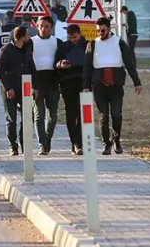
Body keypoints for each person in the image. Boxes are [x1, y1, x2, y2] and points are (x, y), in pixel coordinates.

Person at [83, 17, 142, 156]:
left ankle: (116, 140)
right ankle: (106, 144)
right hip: (99, 86)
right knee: (103, 116)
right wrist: (85, 86)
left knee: (116, 114)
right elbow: (87, 67)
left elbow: (129, 64)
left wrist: (137, 82)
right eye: (97, 31)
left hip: (116, 86)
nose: (100, 33)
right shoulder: (92, 44)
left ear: (109, 29)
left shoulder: (119, 43)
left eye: (102, 30)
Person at [0, 26, 34, 156]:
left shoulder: (28, 48)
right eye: (27, 35)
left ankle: (25, 143)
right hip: (10, 89)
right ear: (22, 37)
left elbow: (31, 67)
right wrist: (8, 88)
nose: (29, 37)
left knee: (28, 117)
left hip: (25, 88)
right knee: (11, 119)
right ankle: (13, 145)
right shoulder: (5, 50)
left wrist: (35, 86)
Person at [28, 16, 61, 156]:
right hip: (37, 82)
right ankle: (42, 144)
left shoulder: (57, 42)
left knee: (52, 116)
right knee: (38, 115)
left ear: (51, 27)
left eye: (46, 26)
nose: (43, 28)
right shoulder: (31, 42)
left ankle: (47, 139)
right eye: (41, 26)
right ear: (37, 26)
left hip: (52, 81)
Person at [55, 24, 87, 155]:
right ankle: (74, 143)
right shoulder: (63, 47)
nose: (73, 40)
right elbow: (55, 64)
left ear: (80, 34)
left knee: (82, 115)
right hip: (68, 84)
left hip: (84, 84)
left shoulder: (87, 46)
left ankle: (79, 143)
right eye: (70, 37)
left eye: (75, 37)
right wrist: (61, 64)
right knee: (71, 114)